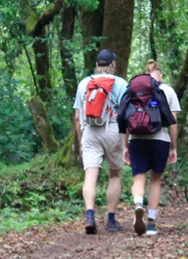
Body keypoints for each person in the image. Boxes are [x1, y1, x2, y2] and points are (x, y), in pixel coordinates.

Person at [119, 60, 180, 237]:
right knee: (155, 180)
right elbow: (173, 122)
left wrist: (125, 146)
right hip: (160, 139)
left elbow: (125, 119)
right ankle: (152, 223)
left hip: (137, 139)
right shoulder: (167, 90)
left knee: (138, 179)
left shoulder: (133, 90)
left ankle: (138, 204)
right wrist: (174, 147)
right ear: (159, 75)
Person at [74, 49, 129, 234]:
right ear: (113, 64)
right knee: (115, 174)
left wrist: (81, 141)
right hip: (113, 130)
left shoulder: (84, 83)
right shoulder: (121, 84)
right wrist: (126, 143)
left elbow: (76, 117)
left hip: (89, 130)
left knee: (90, 175)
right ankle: (111, 220)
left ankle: (90, 215)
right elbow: (126, 114)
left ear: (97, 64)